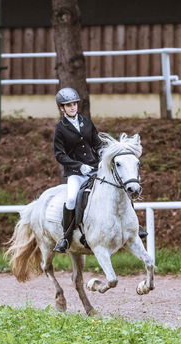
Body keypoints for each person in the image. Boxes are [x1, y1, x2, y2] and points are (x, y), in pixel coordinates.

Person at [52, 87, 102, 253]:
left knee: (115, 187)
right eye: (68, 105)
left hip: (94, 168)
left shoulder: (86, 121)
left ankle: (134, 228)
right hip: (76, 173)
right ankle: (66, 238)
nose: (73, 107)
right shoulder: (61, 128)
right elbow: (60, 155)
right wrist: (79, 166)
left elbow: (96, 142)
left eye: (74, 104)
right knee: (72, 199)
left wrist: (102, 153)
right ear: (62, 108)